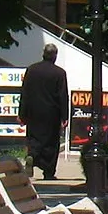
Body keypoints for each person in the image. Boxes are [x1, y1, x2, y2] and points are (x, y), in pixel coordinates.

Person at [18, 45, 69, 184]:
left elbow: (25, 93)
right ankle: (48, 171)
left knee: (34, 138)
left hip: (33, 112)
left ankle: (32, 156)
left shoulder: (32, 70)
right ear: (55, 55)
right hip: (52, 112)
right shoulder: (59, 73)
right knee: (51, 142)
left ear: (43, 54)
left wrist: (22, 113)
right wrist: (65, 116)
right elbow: (63, 96)